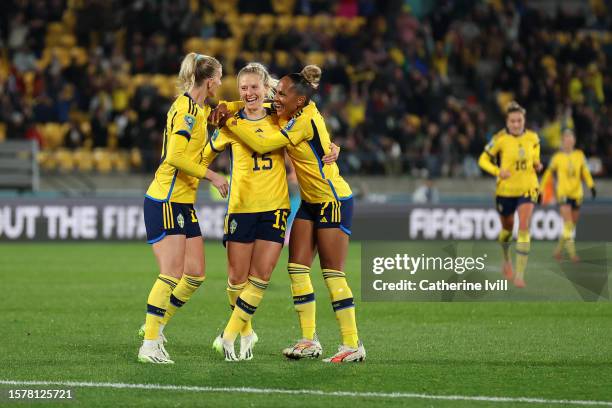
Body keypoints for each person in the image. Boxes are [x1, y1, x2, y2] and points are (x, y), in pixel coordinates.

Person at [215, 65, 366, 363]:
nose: (276, 98)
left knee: (332, 272)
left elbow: (262, 142)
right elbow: (259, 103)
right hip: (310, 201)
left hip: (332, 199)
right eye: (277, 92)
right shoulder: (294, 109)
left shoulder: (303, 120)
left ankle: (352, 343)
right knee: (297, 268)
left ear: (299, 100)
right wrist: (228, 105)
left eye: (282, 94)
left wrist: (230, 122)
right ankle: (309, 340)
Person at [137, 53, 229, 364]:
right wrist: (214, 176)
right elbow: (174, 157)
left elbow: (195, 154)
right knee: (171, 273)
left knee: (195, 274)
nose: (221, 83)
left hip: (183, 201)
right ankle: (149, 344)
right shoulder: (187, 110)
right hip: (166, 198)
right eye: (220, 77)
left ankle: (156, 323)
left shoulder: (201, 110)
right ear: (211, 80)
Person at [478, 101, 542, 288]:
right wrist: (498, 172)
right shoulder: (499, 139)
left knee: (523, 225)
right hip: (505, 191)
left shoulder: (533, 137)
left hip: (528, 188)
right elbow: (482, 160)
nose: (516, 124)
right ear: (507, 122)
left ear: (524, 120)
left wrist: (537, 164)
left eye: (519, 120)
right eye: (512, 121)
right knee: (507, 229)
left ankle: (520, 274)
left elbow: (536, 155)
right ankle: (506, 258)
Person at [541, 129, 596, 262]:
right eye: (566, 139)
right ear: (563, 141)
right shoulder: (557, 157)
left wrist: (591, 185)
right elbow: (548, 173)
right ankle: (572, 254)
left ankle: (558, 251)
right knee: (568, 223)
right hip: (563, 194)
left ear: (574, 141)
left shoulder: (579, 155)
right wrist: (541, 188)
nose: (568, 141)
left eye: (570, 139)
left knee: (570, 226)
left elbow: (585, 172)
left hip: (577, 194)